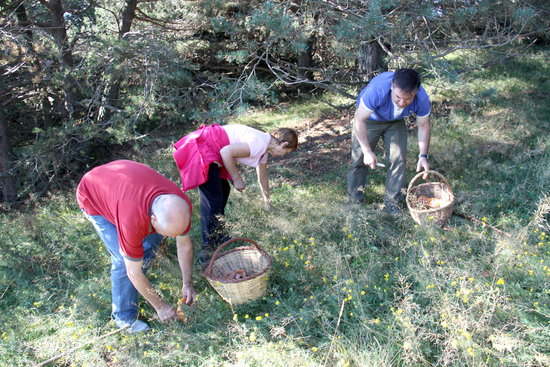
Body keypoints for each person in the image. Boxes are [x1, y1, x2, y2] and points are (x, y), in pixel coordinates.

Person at [76, 160, 196, 333]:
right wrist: (160, 306)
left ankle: (141, 264)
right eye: (169, 234)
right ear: (153, 219)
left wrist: (187, 284)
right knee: (123, 262)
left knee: (146, 247)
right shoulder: (131, 222)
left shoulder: (179, 205)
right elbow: (132, 271)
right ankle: (124, 318)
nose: (171, 238)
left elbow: (184, 245)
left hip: (122, 184)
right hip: (93, 194)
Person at [173, 124, 298, 266]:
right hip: (203, 147)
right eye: (286, 152)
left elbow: (263, 175)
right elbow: (226, 152)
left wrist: (267, 201)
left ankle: (218, 234)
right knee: (213, 199)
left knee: (224, 190)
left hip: (213, 151)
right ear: (283, 144)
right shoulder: (259, 142)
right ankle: (207, 250)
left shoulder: (264, 149)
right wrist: (237, 179)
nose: (283, 156)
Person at [347, 68, 431, 214]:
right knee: (359, 159)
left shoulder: (422, 98)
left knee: (398, 160)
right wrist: (367, 152)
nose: (402, 102)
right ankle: (354, 202)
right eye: (398, 97)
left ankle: (393, 203)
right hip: (370, 121)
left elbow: (423, 126)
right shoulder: (377, 90)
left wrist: (423, 156)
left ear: (416, 92)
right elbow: (359, 119)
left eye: (408, 99)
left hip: (395, 121)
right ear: (392, 86)